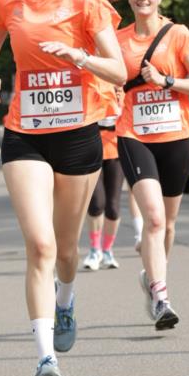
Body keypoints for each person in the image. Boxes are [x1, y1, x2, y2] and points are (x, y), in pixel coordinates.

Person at [0, 0, 126, 376]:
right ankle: (45, 360)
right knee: (38, 245)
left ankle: (66, 299)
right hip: (25, 133)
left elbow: (119, 70)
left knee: (66, 250)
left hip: (79, 134)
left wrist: (81, 57)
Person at [116, 0, 189, 330]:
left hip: (175, 137)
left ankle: (153, 277)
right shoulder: (119, 40)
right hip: (133, 135)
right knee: (153, 218)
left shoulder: (180, 35)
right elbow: (106, 79)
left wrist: (166, 81)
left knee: (168, 223)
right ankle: (161, 296)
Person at [83, 86, 124, 271]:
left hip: (117, 150)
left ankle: (107, 250)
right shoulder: (89, 81)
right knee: (96, 204)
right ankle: (94, 250)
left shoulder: (122, 86)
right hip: (91, 148)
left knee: (113, 208)